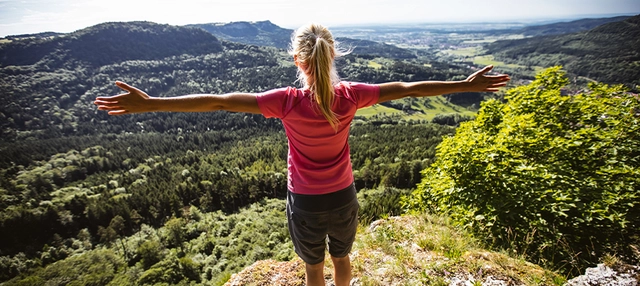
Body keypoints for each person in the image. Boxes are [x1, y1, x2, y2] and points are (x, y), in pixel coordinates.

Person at [94, 23, 510, 286]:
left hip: (306, 202)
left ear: (297, 60)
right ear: (333, 57)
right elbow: (409, 88)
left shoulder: (286, 101)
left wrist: (151, 103)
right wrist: (465, 84)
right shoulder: (351, 96)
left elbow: (219, 102)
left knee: (314, 270)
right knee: (343, 259)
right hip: (344, 195)